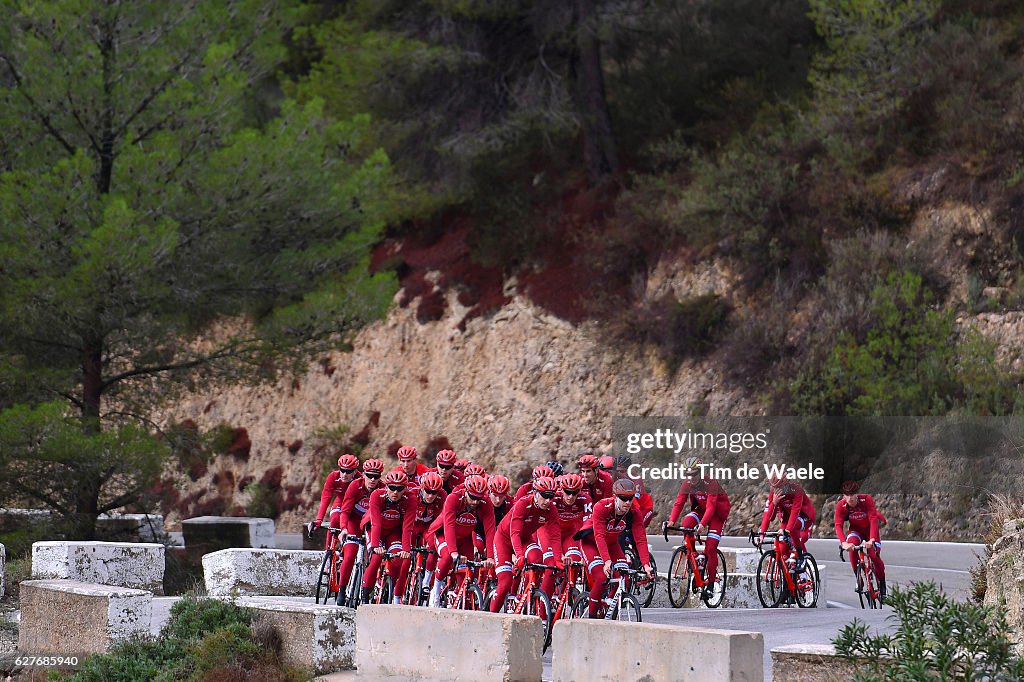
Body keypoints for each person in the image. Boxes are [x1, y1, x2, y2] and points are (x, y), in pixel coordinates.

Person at [575, 478, 654, 618]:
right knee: (601, 577)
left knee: (625, 577)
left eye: (630, 498)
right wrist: (606, 561)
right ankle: (592, 618)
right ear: (614, 496)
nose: (627, 502)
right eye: (623, 499)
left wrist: (646, 564)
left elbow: (640, 539)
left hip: (611, 544)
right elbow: (599, 535)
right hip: (591, 543)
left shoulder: (633, 513)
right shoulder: (602, 507)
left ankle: (608, 604)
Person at [489, 476, 562, 612]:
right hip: (504, 540)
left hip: (525, 540)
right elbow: (514, 533)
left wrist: (557, 559)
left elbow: (556, 536)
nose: (547, 501)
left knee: (538, 558)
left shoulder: (551, 509)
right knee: (505, 583)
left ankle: (526, 592)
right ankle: (490, 617)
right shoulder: (523, 504)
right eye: (544, 496)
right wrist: (519, 555)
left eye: (551, 497)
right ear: (535, 493)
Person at [664, 456, 730, 598]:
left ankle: (711, 584)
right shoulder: (687, 483)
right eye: (687, 474)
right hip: (701, 509)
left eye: (693, 474)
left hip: (717, 514)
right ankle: (694, 556)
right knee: (686, 525)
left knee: (710, 548)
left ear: (700, 472)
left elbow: (711, 507)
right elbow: (679, 503)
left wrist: (702, 524)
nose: (690, 478)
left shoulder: (710, 483)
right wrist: (671, 521)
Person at [425, 475, 495, 607]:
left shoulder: (485, 503)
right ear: (466, 491)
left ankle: (457, 595)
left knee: (469, 572)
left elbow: (490, 531)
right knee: (447, 557)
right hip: (443, 533)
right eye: (473, 497)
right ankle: (436, 589)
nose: (475, 502)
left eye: (478, 499)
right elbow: (449, 526)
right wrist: (454, 552)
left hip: (465, 537)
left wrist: (491, 557)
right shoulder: (454, 498)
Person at [362, 469, 417, 604]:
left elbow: (407, 526)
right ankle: (365, 593)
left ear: (405, 489)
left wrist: (406, 549)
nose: (395, 492)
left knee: (398, 560)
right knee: (376, 558)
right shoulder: (376, 495)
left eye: (399, 489)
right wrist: (375, 546)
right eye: (392, 488)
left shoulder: (410, 499)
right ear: (386, 487)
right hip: (375, 529)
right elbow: (376, 523)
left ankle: (388, 587)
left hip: (394, 531)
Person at [335, 458, 385, 592]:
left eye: (376, 476)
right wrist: (344, 529)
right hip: (354, 522)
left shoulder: (383, 489)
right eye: (369, 475)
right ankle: (341, 590)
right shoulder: (355, 486)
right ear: (363, 474)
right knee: (350, 555)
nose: (373, 479)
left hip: (370, 525)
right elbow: (345, 511)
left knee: (375, 555)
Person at [834, 480, 887, 598]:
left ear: (857, 494)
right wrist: (843, 543)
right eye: (847, 495)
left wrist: (872, 539)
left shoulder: (866, 499)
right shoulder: (841, 506)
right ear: (843, 496)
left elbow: (873, 519)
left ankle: (882, 583)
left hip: (870, 532)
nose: (850, 498)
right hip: (855, 531)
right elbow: (838, 525)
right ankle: (859, 579)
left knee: (874, 555)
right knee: (852, 548)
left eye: (852, 494)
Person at [757, 473, 816, 569]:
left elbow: (795, 512)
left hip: (804, 518)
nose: (777, 490)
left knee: (793, 532)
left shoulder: (796, 490)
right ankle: (787, 578)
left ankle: (801, 558)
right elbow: (768, 516)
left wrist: (787, 530)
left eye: (779, 487)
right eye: (774, 487)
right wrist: (762, 533)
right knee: (783, 548)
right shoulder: (774, 492)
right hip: (787, 519)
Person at [308, 453, 360, 541]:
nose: (344, 474)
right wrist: (319, 519)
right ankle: (329, 550)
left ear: (355, 471)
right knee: (335, 520)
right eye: (342, 470)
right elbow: (326, 498)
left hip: (355, 504)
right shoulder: (333, 477)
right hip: (340, 502)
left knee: (353, 525)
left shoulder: (360, 479)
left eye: (348, 471)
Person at [411, 472, 448, 597]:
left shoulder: (442, 496)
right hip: (412, 525)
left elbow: (439, 519)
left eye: (434, 492)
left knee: (431, 547)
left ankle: (426, 581)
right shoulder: (413, 494)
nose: (431, 495)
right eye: (428, 491)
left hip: (429, 526)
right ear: (421, 488)